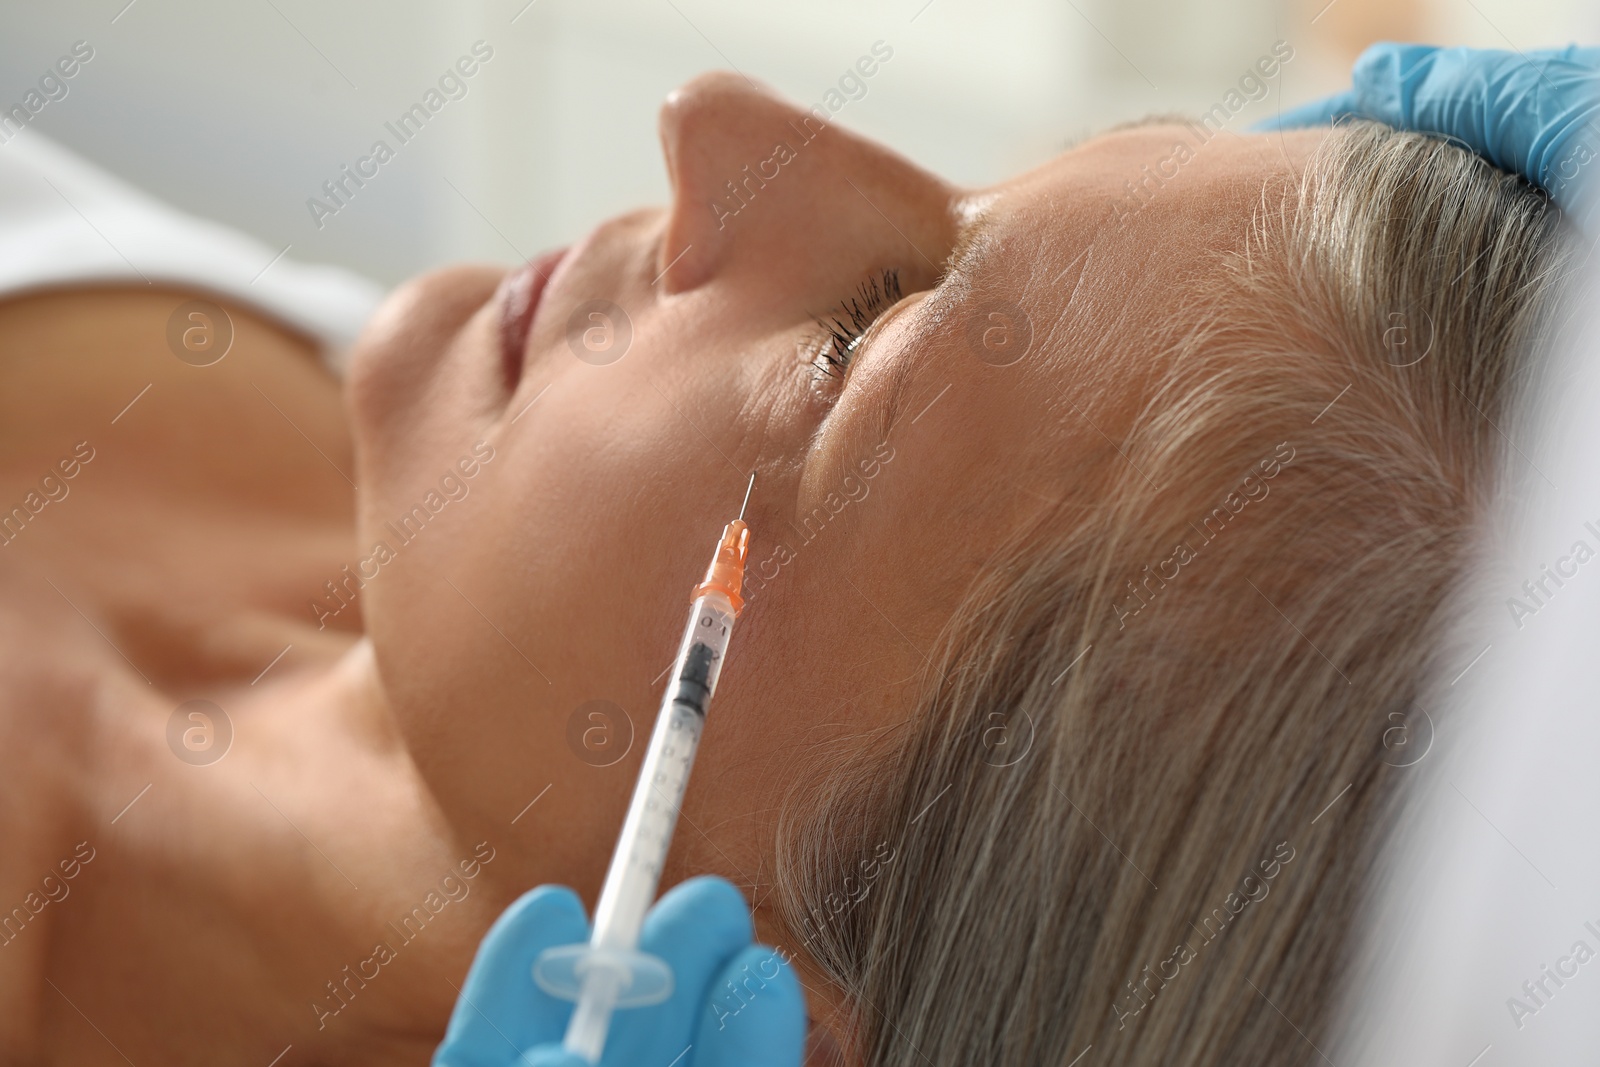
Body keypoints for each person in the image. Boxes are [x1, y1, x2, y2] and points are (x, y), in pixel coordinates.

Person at [0, 53, 1581, 1067]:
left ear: (797, 1006)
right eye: (989, 195)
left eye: (857, 338)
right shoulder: (400, 465)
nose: (719, 124)